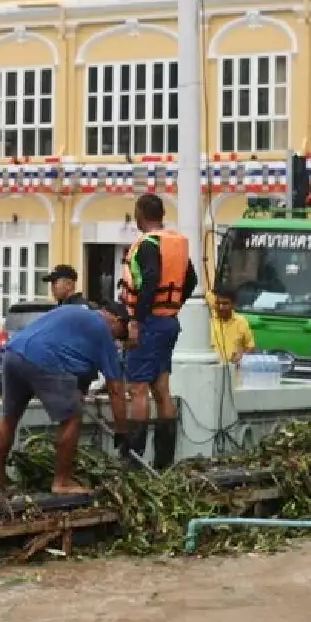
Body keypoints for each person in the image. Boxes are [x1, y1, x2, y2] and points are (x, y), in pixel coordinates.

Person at [0, 301, 131, 495]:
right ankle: (61, 482)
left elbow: (75, 359)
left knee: (9, 418)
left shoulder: (74, 311)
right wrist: (123, 431)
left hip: (13, 353)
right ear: (115, 319)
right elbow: (116, 390)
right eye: (120, 332)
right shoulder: (102, 329)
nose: (116, 339)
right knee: (72, 418)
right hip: (43, 359)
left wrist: (78, 392)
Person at [120, 193, 197, 467]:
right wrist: (173, 304)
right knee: (161, 387)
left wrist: (136, 321)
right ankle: (164, 461)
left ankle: (134, 460)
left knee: (138, 388)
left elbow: (150, 279)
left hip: (150, 321)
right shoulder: (174, 243)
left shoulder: (148, 244)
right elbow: (192, 279)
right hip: (169, 320)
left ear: (141, 213)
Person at [208, 288, 256, 365]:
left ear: (233, 304)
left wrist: (241, 356)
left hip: (234, 371)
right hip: (212, 370)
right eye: (218, 303)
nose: (221, 307)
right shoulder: (208, 321)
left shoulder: (241, 322)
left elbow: (250, 347)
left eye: (225, 303)